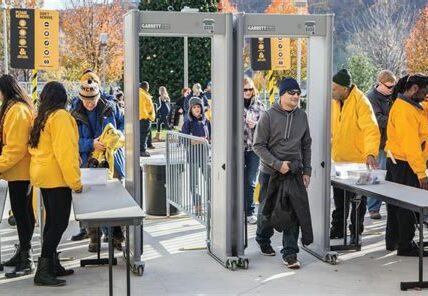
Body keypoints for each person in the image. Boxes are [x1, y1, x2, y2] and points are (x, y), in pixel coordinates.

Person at [253, 77, 313, 269]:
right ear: (282, 94)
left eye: (298, 94)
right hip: (271, 173)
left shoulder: (302, 116)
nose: (296, 96)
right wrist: (278, 164)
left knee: (293, 213)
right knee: (266, 212)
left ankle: (290, 253)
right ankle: (263, 239)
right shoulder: (268, 116)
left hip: (294, 173)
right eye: (292, 93)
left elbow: (306, 145)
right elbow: (258, 146)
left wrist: (307, 170)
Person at [29, 81, 82, 286]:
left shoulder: (43, 116)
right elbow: (65, 154)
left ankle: (52, 264)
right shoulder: (61, 117)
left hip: (43, 175)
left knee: (51, 221)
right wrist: (75, 182)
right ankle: (43, 270)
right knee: (58, 223)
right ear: (63, 97)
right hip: (57, 177)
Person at [70, 70, 125, 252]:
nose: (89, 104)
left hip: (112, 160)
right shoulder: (74, 112)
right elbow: (71, 140)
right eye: (86, 101)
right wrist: (90, 144)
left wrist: (117, 137)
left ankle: (115, 236)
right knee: (90, 201)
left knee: (114, 200)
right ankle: (94, 237)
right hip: (88, 161)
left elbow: (124, 126)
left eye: (92, 100)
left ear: (99, 95)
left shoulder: (111, 106)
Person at [330, 69, 380, 245]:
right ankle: (337, 229)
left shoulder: (361, 102)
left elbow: (371, 130)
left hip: (358, 163)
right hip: (338, 161)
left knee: (358, 202)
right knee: (340, 200)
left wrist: (370, 153)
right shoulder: (335, 102)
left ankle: (356, 233)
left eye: (334, 88)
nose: (332, 91)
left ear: (345, 88)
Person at [384, 74, 428, 256]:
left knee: (396, 204)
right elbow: (411, 145)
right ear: (415, 89)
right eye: (425, 91)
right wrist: (421, 173)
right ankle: (405, 245)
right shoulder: (406, 111)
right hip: (404, 163)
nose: (426, 95)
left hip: (397, 161)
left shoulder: (408, 106)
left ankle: (394, 240)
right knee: (407, 206)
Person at [0, 75, 35, 278]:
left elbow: (15, 148)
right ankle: (22, 252)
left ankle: (26, 258)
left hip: (21, 172)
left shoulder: (17, 111)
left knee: (22, 216)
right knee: (23, 214)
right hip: (20, 171)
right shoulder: (18, 108)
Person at [366, 70, 397, 220]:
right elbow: (377, 119)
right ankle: (373, 208)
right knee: (376, 175)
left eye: (393, 87)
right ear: (380, 83)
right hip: (377, 144)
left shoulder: (392, 96)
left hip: (392, 143)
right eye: (389, 87)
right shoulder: (371, 98)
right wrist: (395, 121)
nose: (392, 90)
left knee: (391, 177)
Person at [181, 97, 211, 214]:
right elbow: (184, 140)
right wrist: (198, 140)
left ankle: (210, 201)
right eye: (194, 107)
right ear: (190, 109)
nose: (197, 109)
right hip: (193, 156)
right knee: (195, 183)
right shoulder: (188, 122)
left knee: (209, 179)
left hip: (204, 155)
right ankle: (197, 205)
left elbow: (210, 137)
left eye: (198, 107)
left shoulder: (206, 121)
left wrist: (206, 141)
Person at [242, 77, 265, 225]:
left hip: (253, 148)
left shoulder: (259, 105)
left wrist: (255, 124)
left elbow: (266, 127)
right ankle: (238, 210)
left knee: (250, 181)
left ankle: (250, 212)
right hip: (237, 149)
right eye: (245, 89)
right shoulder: (232, 104)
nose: (249, 92)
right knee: (237, 180)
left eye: (251, 89)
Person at [139, 81, 156, 157]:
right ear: (146, 87)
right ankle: (142, 150)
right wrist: (147, 117)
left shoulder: (142, 93)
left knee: (144, 135)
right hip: (144, 118)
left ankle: (142, 149)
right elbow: (142, 108)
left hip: (144, 118)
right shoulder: (142, 94)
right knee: (143, 135)